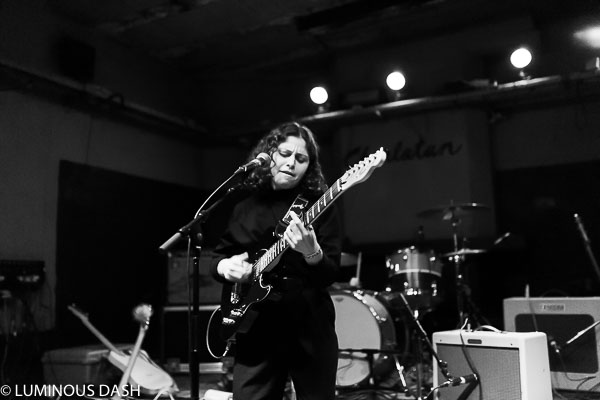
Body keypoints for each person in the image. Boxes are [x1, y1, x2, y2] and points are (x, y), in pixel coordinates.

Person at [209, 122, 342, 400]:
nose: (291, 163)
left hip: (309, 325)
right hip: (257, 327)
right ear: (269, 154)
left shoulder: (320, 205)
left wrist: (312, 253)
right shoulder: (244, 208)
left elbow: (330, 274)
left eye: (301, 158)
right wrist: (225, 267)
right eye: (284, 153)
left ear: (309, 166)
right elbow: (219, 257)